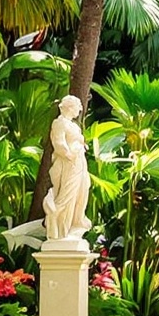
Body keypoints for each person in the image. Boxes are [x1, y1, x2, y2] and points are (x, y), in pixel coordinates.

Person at [44, 95, 92, 243]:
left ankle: (74, 223)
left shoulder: (73, 125)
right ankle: (58, 225)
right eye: (77, 107)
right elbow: (59, 143)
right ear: (69, 107)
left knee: (82, 190)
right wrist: (70, 155)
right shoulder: (60, 123)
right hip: (68, 164)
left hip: (79, 162)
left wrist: (81, 147)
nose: (79, 110)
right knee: (67, 194)